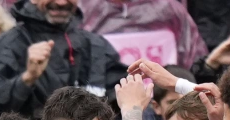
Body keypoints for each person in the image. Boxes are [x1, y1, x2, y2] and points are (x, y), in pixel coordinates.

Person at [0, 0, 126, 120]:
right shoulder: (3, 48)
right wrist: (27, 79)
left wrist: (148, 85)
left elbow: (122, 98)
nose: (62, 2)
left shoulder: (96, 45)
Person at [79, 0, 209, 69]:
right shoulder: (83, 10)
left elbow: (193, 60)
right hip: (102, 106)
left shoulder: (169, 11)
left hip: (165, 106)